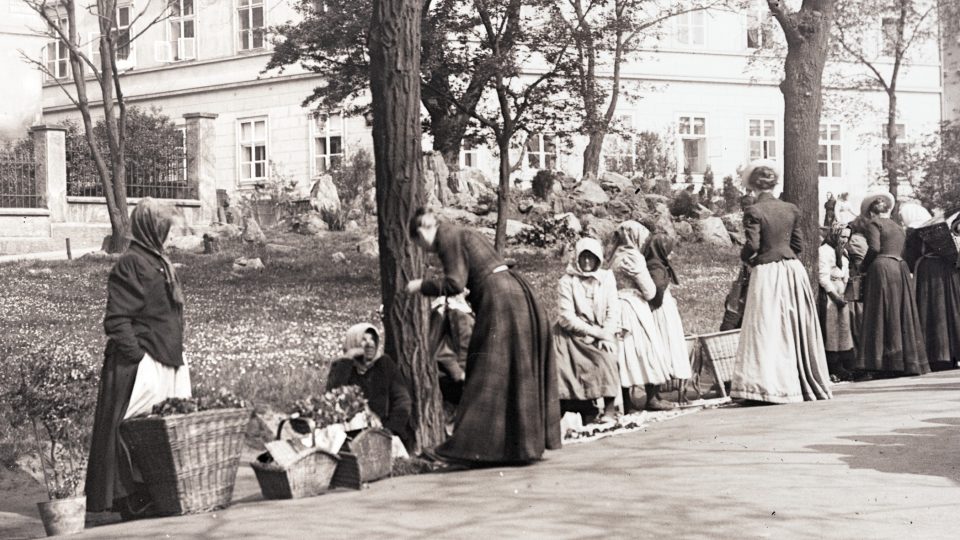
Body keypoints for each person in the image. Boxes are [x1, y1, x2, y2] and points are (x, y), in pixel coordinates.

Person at [406, 208, 560, 466]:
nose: (425, 250)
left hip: (499, 299)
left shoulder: (446, 236)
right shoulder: (461, 231)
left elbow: (455, 283)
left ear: (423, 230)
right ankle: (520, 445)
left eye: (420, 243)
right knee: (514, 368)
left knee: (484, 370)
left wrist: (422, 286)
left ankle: (470, 447)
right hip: (515, 290)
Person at [86, 198, 192, 517]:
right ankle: (128, 498)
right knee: (128, 429)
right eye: (165, 228)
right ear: (151, 229)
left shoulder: (157, 260)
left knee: (156, 431)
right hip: (140, 365)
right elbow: (116, 319)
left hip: (165, 359)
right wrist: (139, 358)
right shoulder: (132, 262)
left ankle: (153, 491)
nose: (169, 235)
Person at [730, 160, 832, 404]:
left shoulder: (754, 210)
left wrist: (746, 259)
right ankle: (799, 383)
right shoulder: (790, 209)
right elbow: (798, 245)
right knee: (793, 325)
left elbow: (752, 245)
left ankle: (765, 386)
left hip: (767, 271)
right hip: (792, 271)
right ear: (774, 185)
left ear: (752, 187)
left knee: (765, 325)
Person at [854, 192, 930, 376]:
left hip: (882, 267)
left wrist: (862, 267)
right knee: (900, 311)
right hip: (899, 267)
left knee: (879, 311)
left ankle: (880, 363)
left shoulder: (874, 224)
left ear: (871, 212)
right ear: (888, 209)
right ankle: (903, 361)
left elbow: (874, 248)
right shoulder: (898, 226)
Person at [553, 237, 621, 424]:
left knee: (606, 359)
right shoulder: (567, 281)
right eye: (583, 257)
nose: (587, 262)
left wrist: (606, 335)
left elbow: (613, 310)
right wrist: (594, 333)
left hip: (601, 332)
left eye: (592, 258)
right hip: (571, 334)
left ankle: (608, 409)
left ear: (598, 259)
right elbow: (566, 317)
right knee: (565, 365)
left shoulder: (606, 278)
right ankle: (578, 406)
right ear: (577, 258)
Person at [610, 220, 675, 411]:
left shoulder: (613, 257)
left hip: (617, 306)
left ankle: (627, 401)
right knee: (647, 350)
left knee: (624, 353)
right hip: (634, 307)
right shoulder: (635, 257)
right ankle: (651, 398)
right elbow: (649, 291)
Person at [327, 323, 414, 450]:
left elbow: (402, 400)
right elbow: (333, 393)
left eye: (373, 339)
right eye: (363, 339)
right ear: (353, 342)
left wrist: (390, 429)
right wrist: (349, 357)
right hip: (350, 431)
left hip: (382, 428)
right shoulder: (342, 366)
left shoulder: (384, 364)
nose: (370, 344)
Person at [903, 210, 960, 371]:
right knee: (951, 309)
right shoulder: (944, 229)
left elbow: (909, 257)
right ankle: (953, 353)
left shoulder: (914, 233)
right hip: (949, 271)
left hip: (928, 272)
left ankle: (936, 355)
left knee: (931, 310)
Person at [643, 234, 693, 385]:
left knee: (669, 340)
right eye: (669, 249)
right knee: (666, 340)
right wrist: (658, 302)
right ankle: (666, 377)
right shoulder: (655, 266)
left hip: (665, 306)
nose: (672, 253)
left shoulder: (657, 263)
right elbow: (658, 287)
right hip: (661, 309)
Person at [818, 224, 855, 381]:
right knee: (831, 329)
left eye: (847, 237)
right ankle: (833, 365)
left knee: (843, 329)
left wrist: (845, 292)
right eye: (842, 237)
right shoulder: (824, 251)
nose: (845, 240)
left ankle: (845, 363)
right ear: (834, 235)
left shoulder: (844, 252)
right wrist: (834, 295)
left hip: (841, 290)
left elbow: (845, 273)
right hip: (831, 293)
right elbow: (823, 276)